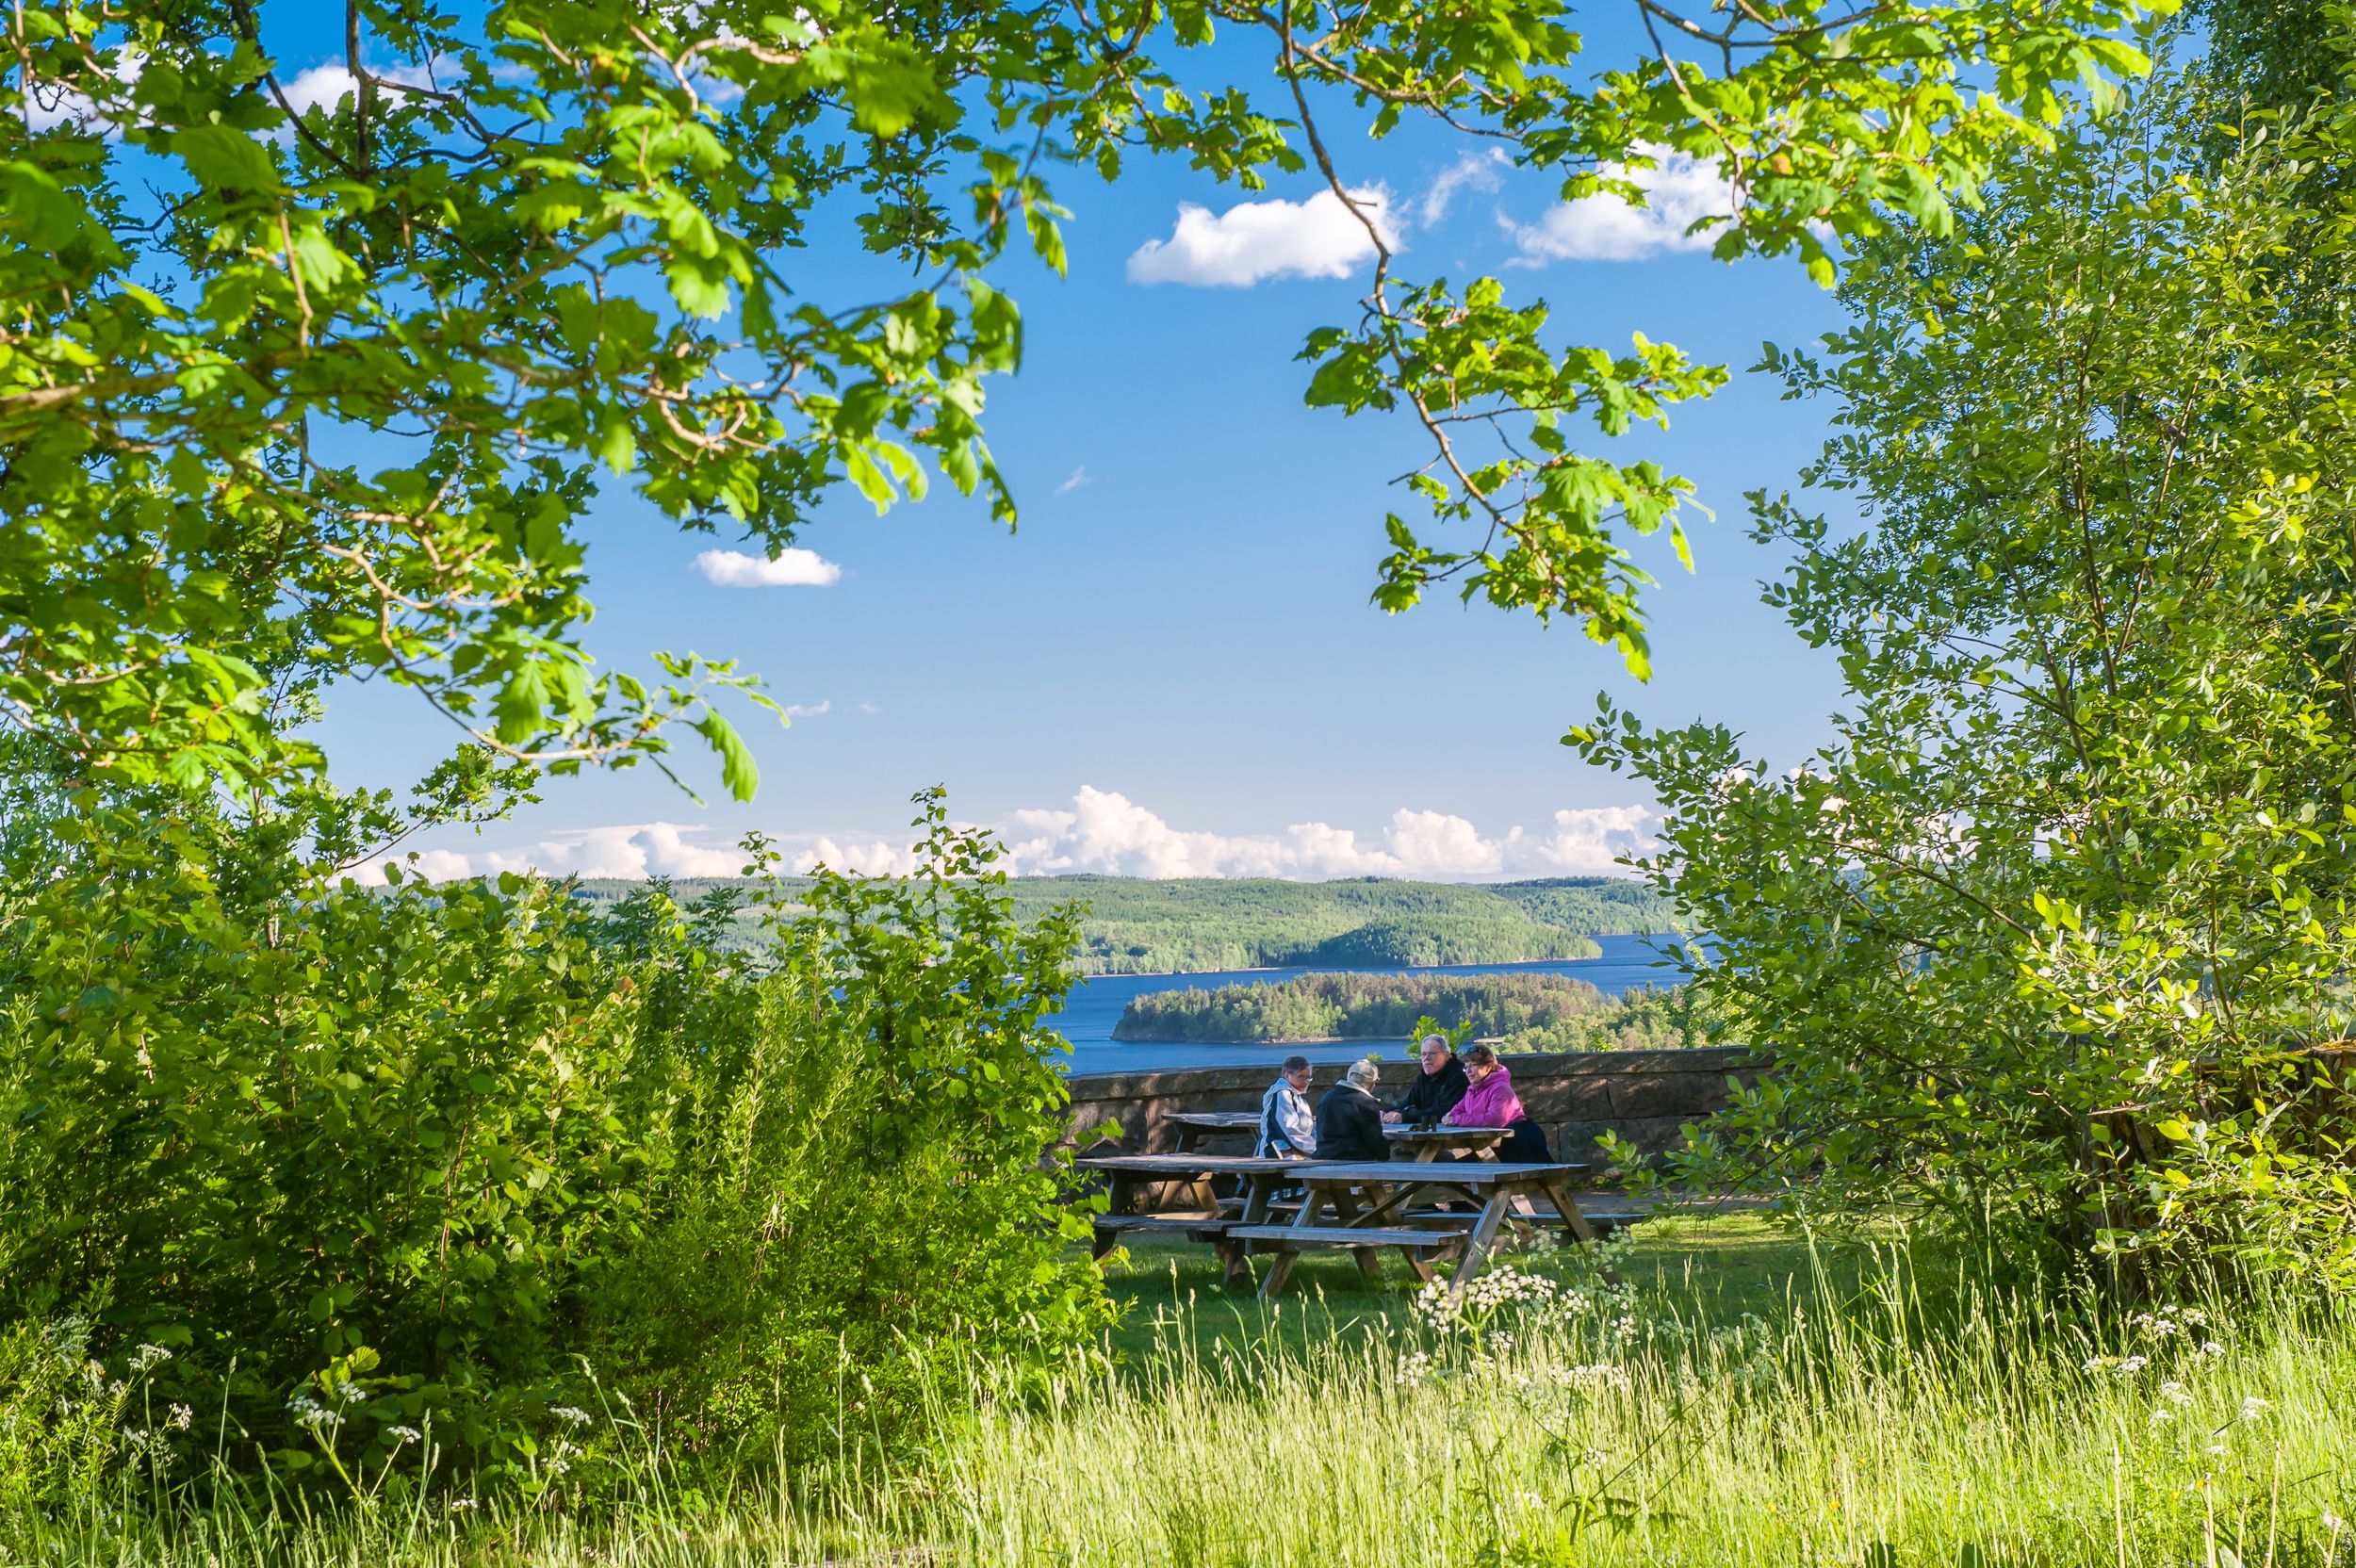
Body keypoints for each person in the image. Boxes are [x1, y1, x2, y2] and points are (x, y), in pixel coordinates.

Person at [1443, 1043, 1555, 1163]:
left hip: (1516, 1145)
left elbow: (1494, 1120)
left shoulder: (1500, 1088)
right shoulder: (1472, 1090)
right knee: (1448, 1168)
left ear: (1487, 1067)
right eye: (1466, 1066)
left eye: (1473, 1065)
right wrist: (1450, 1117)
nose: (1468, 1071)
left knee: (1458, 1169)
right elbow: (1455, 1111)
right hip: (1492, 1146)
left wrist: (1457, 1120)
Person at [1312, 1058, 1390, 1162]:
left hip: (1323, 1156)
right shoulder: (1366, 1103)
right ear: (1372, 1084)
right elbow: (1375, 1140)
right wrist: (1386, 1155)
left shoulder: (1327, 1097)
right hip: (1353, 1159)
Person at [1383, 1033, 1470, 1126]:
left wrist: (1405, 1117)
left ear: (1447, 1055)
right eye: (1423, 1054)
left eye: (1432, 1053)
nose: (1426, 1058)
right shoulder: (1423, 1079)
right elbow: (1407, 1105)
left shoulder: (1459, 1077)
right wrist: (1385, 1113)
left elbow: (1446, 1113)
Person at [1255, 1055, 1317, 1159]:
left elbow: (1311, 1131)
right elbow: (1289, 1130)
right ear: (1287, 1075)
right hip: (1278, 1157)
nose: (1306, 1081)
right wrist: (1314, 1149)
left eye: (1308, 1077)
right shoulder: (1282, 1094)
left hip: (1299, 1154)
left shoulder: (1299, 1099)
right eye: (1301, 1076)